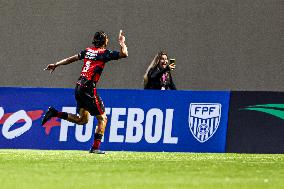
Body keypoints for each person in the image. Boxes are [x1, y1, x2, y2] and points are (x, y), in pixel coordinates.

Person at [41, 30, 128, 154]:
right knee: (103, 118)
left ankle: (54, 113)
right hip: (88, 88)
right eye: (107, 39)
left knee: (82, 120)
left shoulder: (88, 51)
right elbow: (124, 54)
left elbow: (71, 59)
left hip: (79, 86)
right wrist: (122, 42)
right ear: (104, 41)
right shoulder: (104, 53)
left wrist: (56, 64)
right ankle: (95, 148)